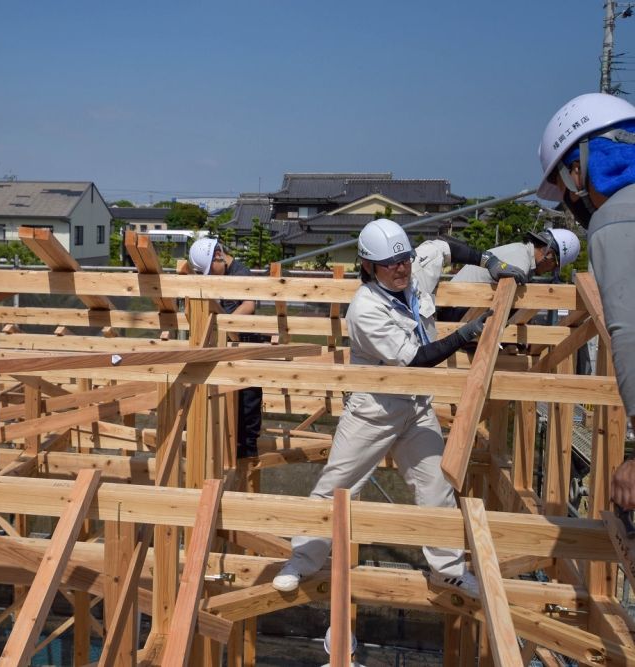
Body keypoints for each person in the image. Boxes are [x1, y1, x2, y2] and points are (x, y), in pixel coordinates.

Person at [271, 219, 502, 595]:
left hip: (417, 406)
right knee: (338, 486)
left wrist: (488, 259)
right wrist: (464, 335)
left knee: (436, 486)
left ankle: (447, 570)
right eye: (390, 264)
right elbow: (415, 360)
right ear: (368, 266)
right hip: (375, 409)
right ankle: (301, 561)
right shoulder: (365, 310)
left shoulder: (413, 272)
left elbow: (445, 247)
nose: (401, 269)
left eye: (404, 261)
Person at [535, 93, 635, 509]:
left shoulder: (616, 219)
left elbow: (629, 332)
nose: (571, 204)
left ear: (579, 168)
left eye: (564, 191)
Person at [188, 237, 263, 458]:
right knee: (228, 396)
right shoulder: (223, 273)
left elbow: (249, 305)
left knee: (247, 399)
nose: (210, 276)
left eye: (210, 270)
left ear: (218, 256)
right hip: (229, 341)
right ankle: (230, 446)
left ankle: (247, 450)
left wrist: (223, 322)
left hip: (245, 340)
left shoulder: (240, 272)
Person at [437, 228, 581, 321]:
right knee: (521, 297)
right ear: (548, 254)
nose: (551, 270)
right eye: (555, 265)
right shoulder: (521, 262)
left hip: (457, 306)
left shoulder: (521, 253)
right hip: (455, 312)